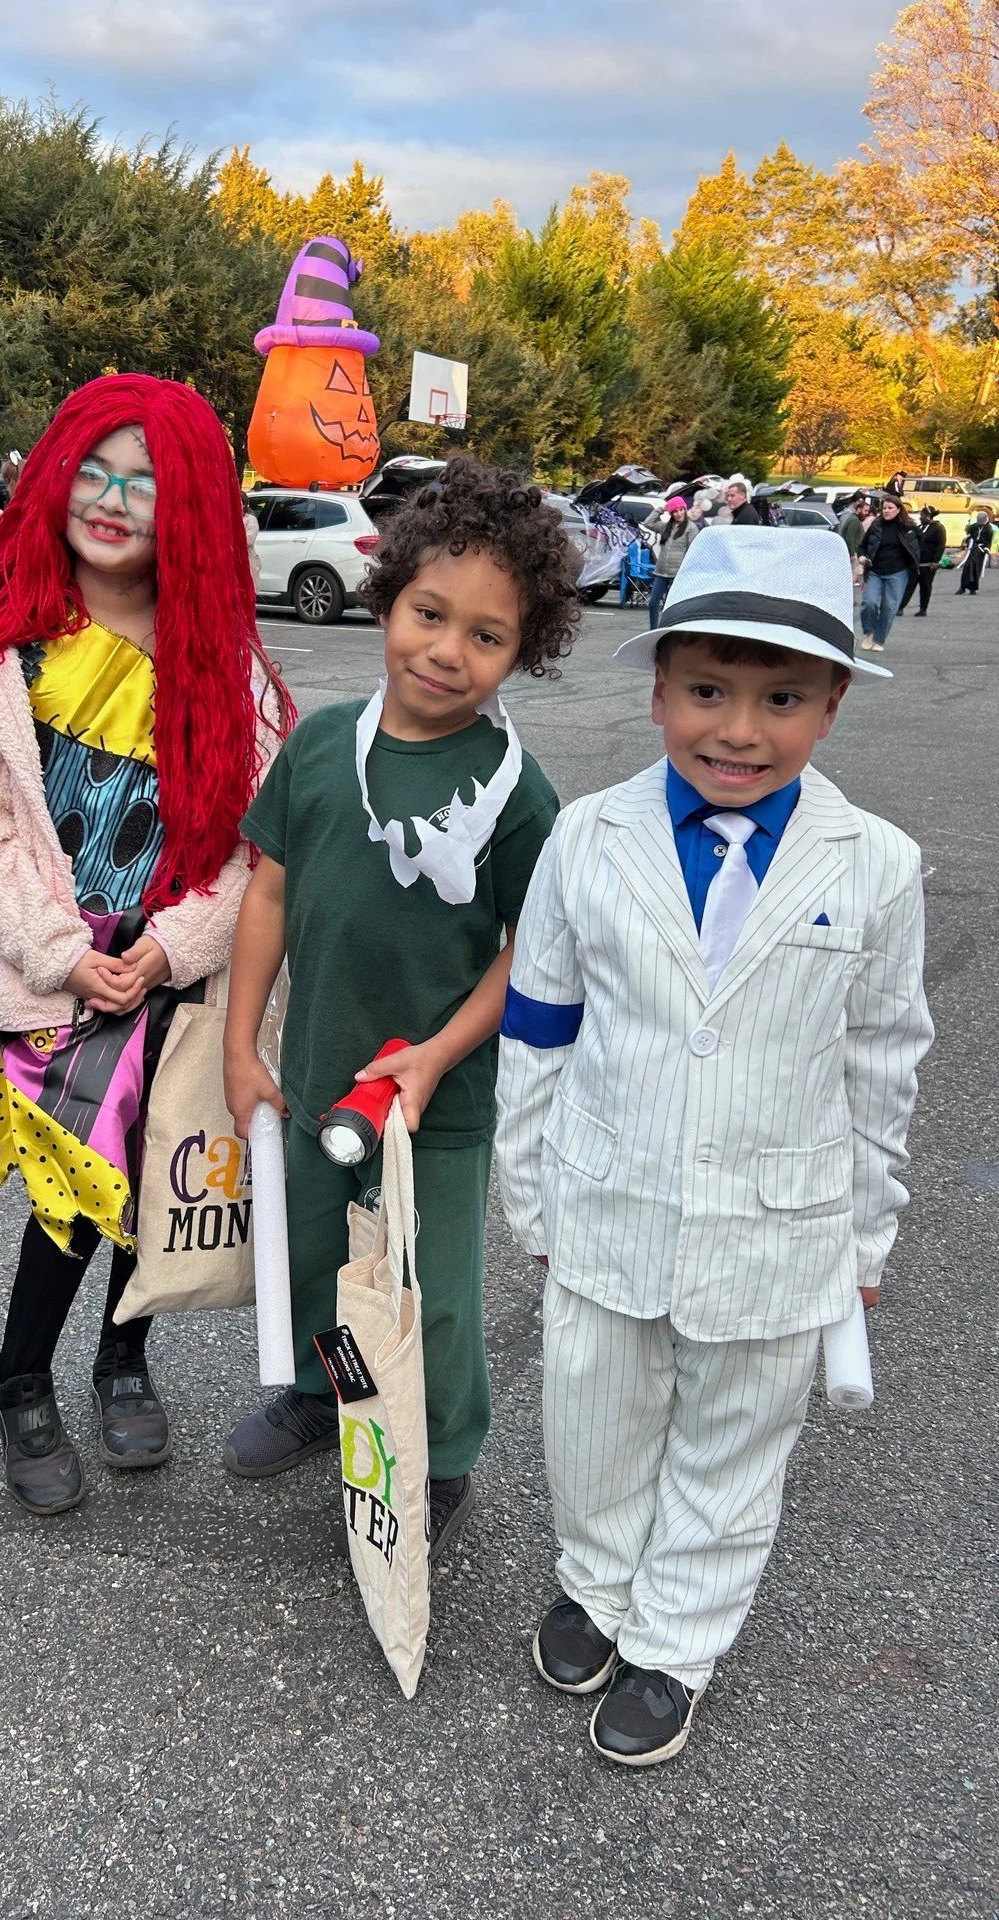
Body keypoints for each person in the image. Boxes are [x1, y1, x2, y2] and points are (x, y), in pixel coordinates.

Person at [498, 525, 931, 1765]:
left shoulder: (878, 865)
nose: (738, 732)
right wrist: (533, 1199)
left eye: (781, 700)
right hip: (608, 1193)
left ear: (832, 706)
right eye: (706, 691)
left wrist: (866, 1237)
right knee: (594, 1416)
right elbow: (540, 1027)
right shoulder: (589, 837)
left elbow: (882, 1060)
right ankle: (597, 1582)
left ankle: (677, 1639)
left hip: (780, 1223)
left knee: (735, 1441)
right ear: (658, 690)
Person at [0, 374, 292, 1515]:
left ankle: (124, 1358)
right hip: (58, 974)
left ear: (191, 508)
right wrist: (64, 953)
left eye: (145, 484)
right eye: (95, 474)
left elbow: (257, 849)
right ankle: (22, 1378)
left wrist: (173, 947)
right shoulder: (3, 653)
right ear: (55, 480)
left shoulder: (229, 670)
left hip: (172, 975)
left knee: (156, 1178)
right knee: (72, 1193)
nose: (112, 502)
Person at [220, 458, 573, 1560]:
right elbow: (268, 893)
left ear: (523, 650)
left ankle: (442, 1451)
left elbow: (528, 952)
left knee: (433, 1290)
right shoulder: (324, 744)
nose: (447, 650)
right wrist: (241, 1044)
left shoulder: (518, 793)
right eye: (429, 613)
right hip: (318, 1071)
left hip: (438, 1103)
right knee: (318, 1256)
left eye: (486, 635)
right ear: (388, 599)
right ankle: (327, 1396)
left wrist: (437, 1054)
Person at [858, 492, 919, 651]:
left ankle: (879, 640)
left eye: (890, 508)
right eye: (884, 508)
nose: (886, 511)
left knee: (889, 607)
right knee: (869, 603)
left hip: (897, 573)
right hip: (875, 571)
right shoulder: (876, 525)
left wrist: (918, 564)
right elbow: (862, 545)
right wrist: (861, 556)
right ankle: (869, 633)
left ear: (898, 510)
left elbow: (920, 546)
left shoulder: (908, 527)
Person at [643, 497, 700, 628]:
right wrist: (661, 509)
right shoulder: (665, 527)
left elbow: (693, 551)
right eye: (675, 511)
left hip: (677, 574)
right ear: (671, 513)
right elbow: (648, 523)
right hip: (661, 572)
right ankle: (653, 629)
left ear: (685, 509)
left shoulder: (691, 528)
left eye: (681, 510)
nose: (679, 513)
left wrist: (688, 571)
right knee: (653, 603)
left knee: (670, 606)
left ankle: (668, 630)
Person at [904, 504, 946, 616]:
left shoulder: (938, 528)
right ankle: (900, 607)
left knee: (925, 587)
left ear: (928, 517)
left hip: (928, 564)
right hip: (916, 563)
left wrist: (936, 560)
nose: (920, 518)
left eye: (922, 516)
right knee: (909, 585)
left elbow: (941, 545)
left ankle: (923, 609)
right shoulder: (920, 528)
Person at [955, 505, 993, 594]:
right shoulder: (974, 526)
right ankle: (963, 587)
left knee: (976, 569)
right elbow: (968, 531)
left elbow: (989, 541)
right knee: (967, 567)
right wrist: (968, 538)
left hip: (981, 550)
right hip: (973, 549)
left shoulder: (989, 529)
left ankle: (973, 588)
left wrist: (987, 549)